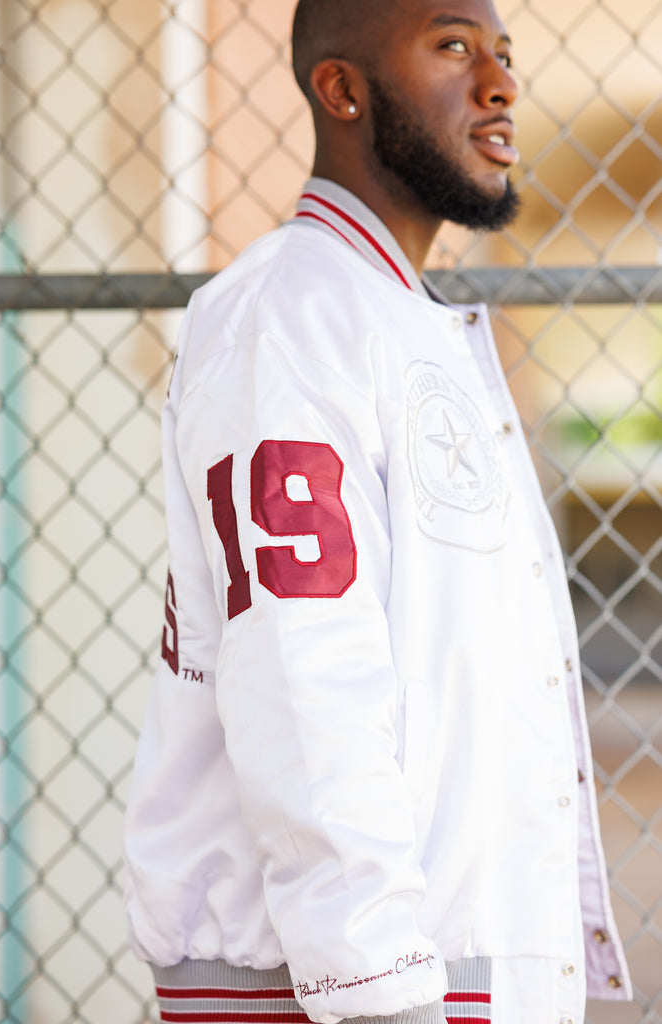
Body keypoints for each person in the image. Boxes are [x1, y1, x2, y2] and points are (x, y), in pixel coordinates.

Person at [123, 1, 632, 1022]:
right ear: (341, 89)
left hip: (453, 971)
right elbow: (303, 678)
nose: (499, 83)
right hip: (362, 989)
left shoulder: (400, 318)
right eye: (452, 47)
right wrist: (380, 993)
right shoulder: (292, 315)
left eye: (503, 54)